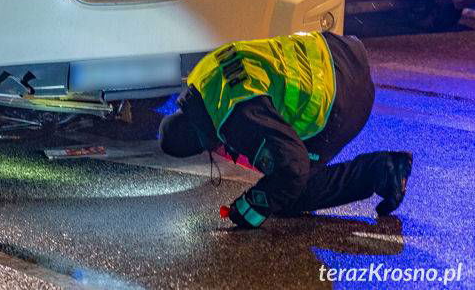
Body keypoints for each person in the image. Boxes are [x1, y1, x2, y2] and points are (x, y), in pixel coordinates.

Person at [159, 31, 412, 229]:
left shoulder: (235, 115)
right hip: (337, 50)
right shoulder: (204, 75)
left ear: (202, 139)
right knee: (283, 168)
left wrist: (249, 208)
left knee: (292, 191)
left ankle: (382, 172)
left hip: (344, 95)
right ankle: (380, 170)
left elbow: (293, 169)